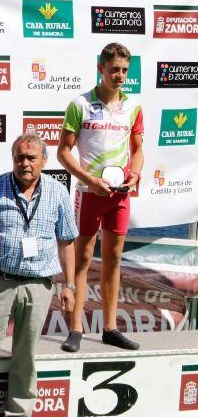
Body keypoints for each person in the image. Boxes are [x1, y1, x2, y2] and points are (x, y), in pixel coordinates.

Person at [0, 133, 77, 417]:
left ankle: (19, 412)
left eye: (31, 158)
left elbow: (67, 242)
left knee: (26, 357)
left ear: (44, 161)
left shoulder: (58, 192)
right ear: (13, 159)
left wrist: (70, 285)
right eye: (19, 157)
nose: (25, 163)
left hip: (39, 286)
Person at [57, 42, 144, 353]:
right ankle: (76, 328)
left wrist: (134, 173)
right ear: (101, 69)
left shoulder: (132, 107)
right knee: (81, 259)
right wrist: (89, 181)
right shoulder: (80, 104)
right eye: (114, 70)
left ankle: (109, 328)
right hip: (89, 193)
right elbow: (63, 153)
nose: (119, 76)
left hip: (119, 194)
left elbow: (137, 152)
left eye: (124, 71)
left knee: (114, 259)